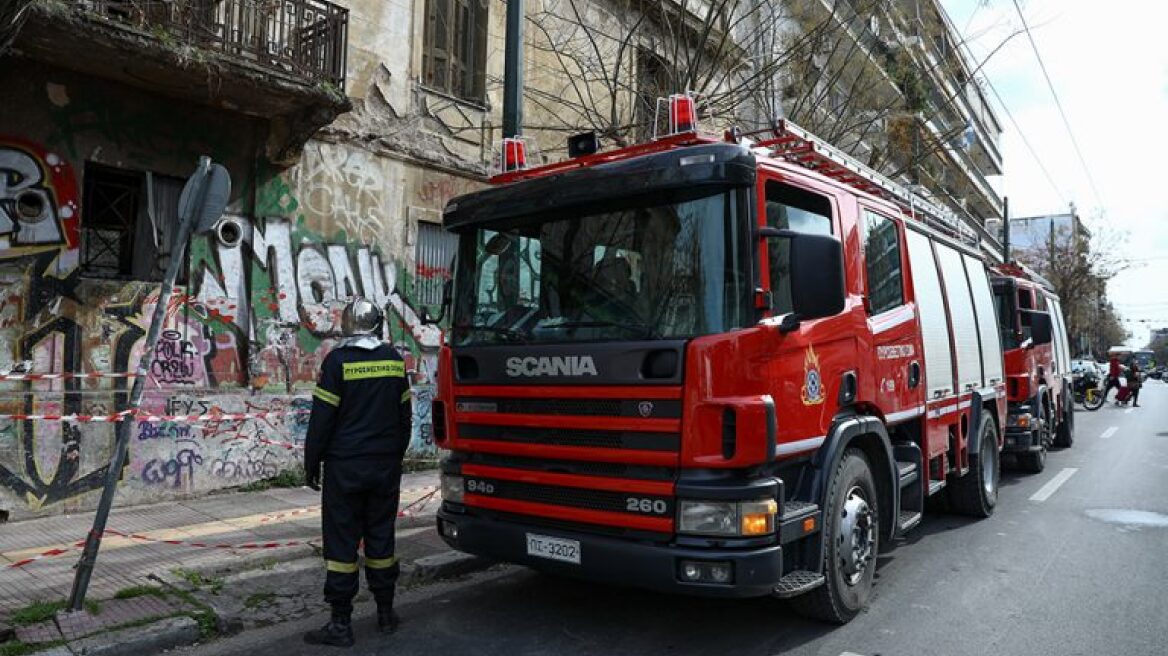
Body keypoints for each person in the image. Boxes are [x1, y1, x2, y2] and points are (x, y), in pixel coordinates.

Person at [302, 298, 412, 648]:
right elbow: (405, 418)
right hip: (384, 466)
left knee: (341, 545)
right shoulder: (395, 361)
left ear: (347, 326)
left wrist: (311, 461)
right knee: (381, 539)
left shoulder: (337, 362)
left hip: (345, 467)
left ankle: (340, 623)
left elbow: (322, 420)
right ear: (378, 324)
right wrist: (394, 454)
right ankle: (385, 613)